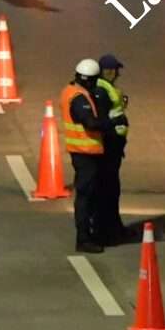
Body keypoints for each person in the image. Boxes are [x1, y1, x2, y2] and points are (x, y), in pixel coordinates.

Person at [61, 58, 115, 253]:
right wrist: (111, 123)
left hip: (84, 153)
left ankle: (90, 234)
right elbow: (90, 123)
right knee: (85, 197)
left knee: (89, 196)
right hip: (85, 155)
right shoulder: (79, 98)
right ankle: (84, 238)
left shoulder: (72, 91)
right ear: (90, 80)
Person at [93, 53, 133, 245]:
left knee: (111, 188)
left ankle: (113, 227)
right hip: (109, 145)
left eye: (114, 70)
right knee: (108, 189)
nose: (114, 73)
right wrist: (116, 123)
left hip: (114, 145)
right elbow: (102, 120)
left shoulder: (107, 87)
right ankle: (108, 230)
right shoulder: (102, 90)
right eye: (111, 70)